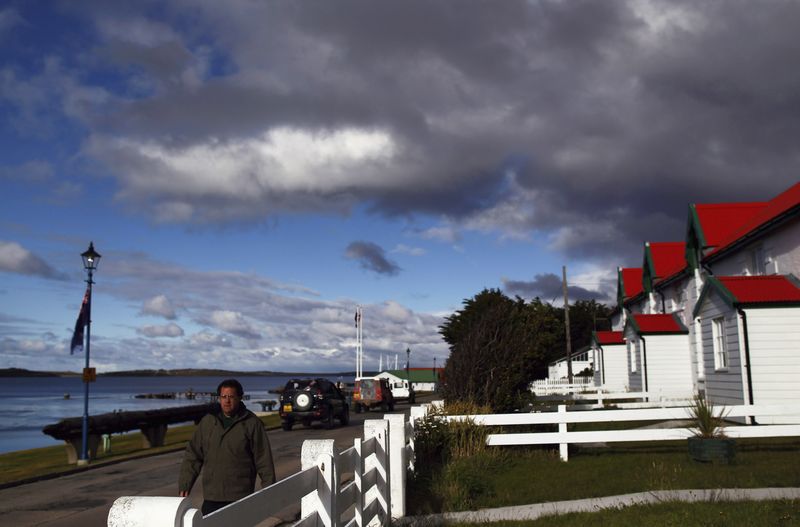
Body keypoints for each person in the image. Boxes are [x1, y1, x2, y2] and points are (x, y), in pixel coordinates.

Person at [179, 379, 276, 516]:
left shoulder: (251, 423)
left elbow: (263, 460)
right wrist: (185, 483)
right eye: (223, 397)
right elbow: (193, 455)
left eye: (231, 397)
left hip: (240, 497)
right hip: (212, 497)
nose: (227, 401)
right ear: (219, 398)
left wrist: (269, 491)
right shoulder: (208, 422)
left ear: (239, 398)